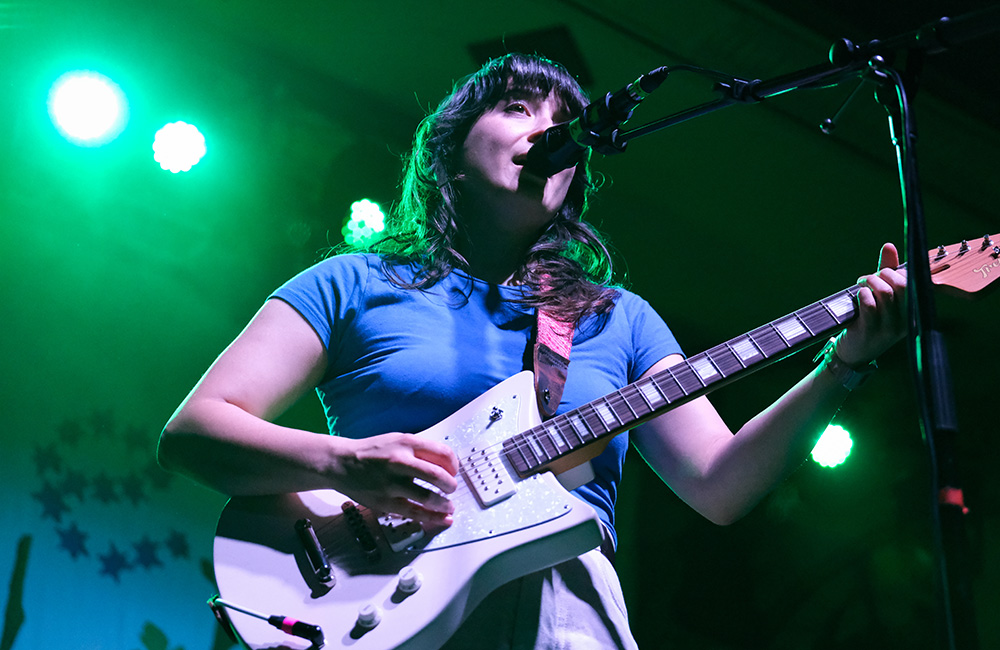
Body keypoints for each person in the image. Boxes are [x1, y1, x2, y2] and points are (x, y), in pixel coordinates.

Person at [157, 53, 907, 649]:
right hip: (381, 608)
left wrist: (841, 365)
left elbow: (719, 485)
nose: (546, 131)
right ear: (452, 146)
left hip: (566, 617)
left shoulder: (618, 319)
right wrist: (342, 463)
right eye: (518, 108)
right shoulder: (353, 283)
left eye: (563, 123)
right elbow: (195, 432)